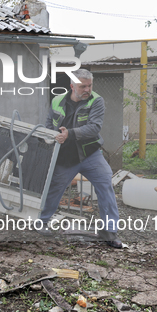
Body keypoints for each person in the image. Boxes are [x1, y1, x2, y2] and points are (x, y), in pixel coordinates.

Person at [40, 69, 123, 248]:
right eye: (82, 86)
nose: (87, 89)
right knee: (54, 187)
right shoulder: (57, 100)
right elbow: (49, 124)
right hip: (65, 156)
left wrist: (69, 133)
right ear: (72, 86)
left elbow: (94, 127)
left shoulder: (97, 101)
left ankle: (110, 231)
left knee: (105, 183)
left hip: (89, 154)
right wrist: (50, 137)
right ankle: (42, 221)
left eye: (89, 85)